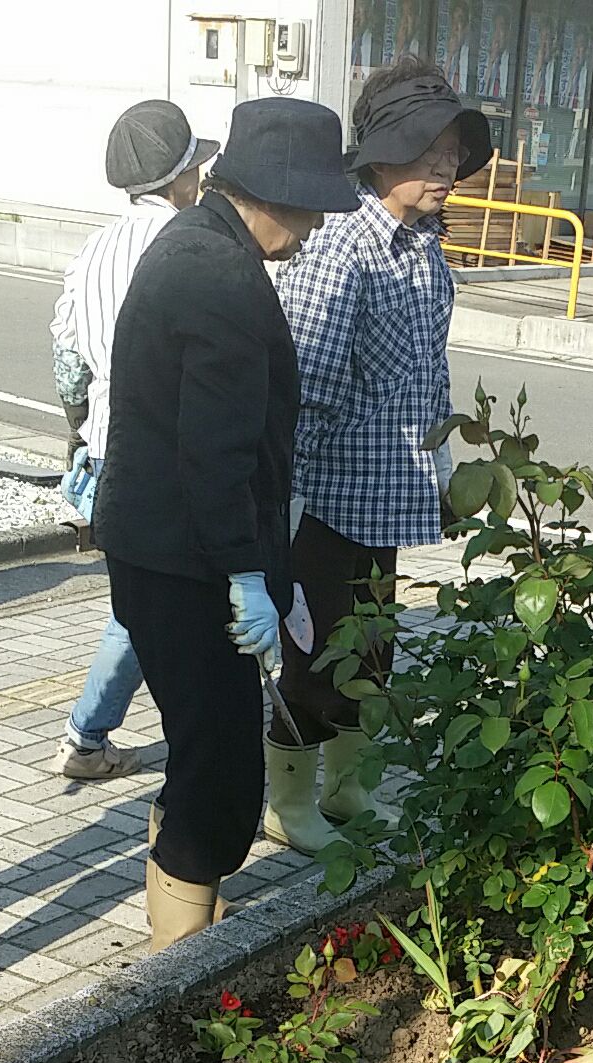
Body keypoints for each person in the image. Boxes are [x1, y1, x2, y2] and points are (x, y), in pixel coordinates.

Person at [93, 100, 357, 951]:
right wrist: (245, 571)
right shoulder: (226, 280)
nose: (315, 227)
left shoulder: (192, 243)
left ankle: (191, 919)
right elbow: (217, 454)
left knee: (202, 748)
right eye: (310, 206)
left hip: (156, 551)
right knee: (220, 779)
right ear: (270, 193)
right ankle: (182, 971)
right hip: (192, 566)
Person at [270, 56, 492, 854]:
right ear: (380, 154)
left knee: (373, 651)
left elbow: (428, 375)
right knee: (317, 657)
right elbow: (310, 388)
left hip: (385, 495)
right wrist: (280, 509)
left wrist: (436, 474)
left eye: (454, 150)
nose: (447, 165)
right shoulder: (343, 245)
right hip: (325, 499)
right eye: (429, 147)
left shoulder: (421, 243)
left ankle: (349, 790)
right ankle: (289, 805)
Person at [50, 100, 218, 780]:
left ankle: (90, 738)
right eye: (197, 168)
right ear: (178, 178)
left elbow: (67, 362)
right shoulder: (189, 244)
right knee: (153, 607)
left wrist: (80, 433)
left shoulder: (92, 248)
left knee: (140, 603)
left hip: (106, 456)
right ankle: (91, 737)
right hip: (168, 457)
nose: (202, 179)